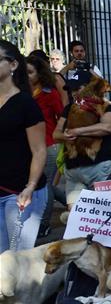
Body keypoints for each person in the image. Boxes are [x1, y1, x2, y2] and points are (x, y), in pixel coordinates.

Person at [0, 40, 48, 252]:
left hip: (20, 194)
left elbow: (39, 150)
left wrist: (30, 186)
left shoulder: (25, 103)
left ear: (12, 65)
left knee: (17, 262)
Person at [53, 68, 111, 212]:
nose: (74, 93)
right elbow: (56, 134)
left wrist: (77, 131)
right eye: (71, 89)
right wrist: (64, 135)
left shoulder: (105, 106)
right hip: (73, 171)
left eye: (78, 88)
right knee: (77, 219)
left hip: (100, 167)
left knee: (106, 215)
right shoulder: (69, 108)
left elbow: (107, 127)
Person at [25, 54, 63, 238]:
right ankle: (77, 203)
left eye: (30, 72)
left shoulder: (49, 94)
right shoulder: (21, 94)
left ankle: (44, 225)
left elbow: (61, 116)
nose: (27, 76)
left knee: (45, 185)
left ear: (39, 74)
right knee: (45, 185)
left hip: (49, 146)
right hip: (29, 148)